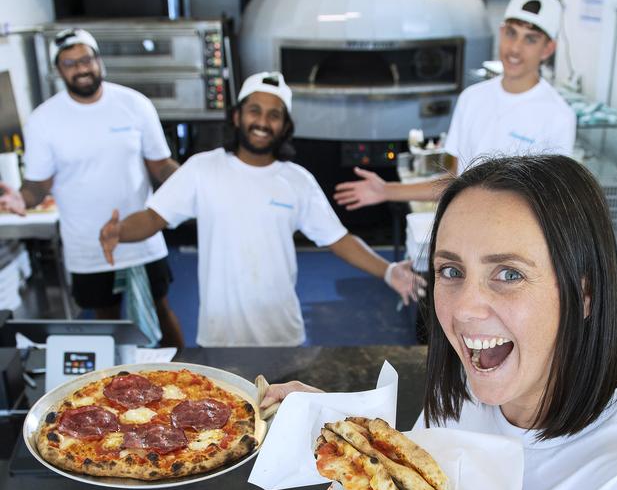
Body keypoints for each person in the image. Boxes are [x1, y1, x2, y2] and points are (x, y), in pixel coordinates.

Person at [261, 155, 617, 490]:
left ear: (584, 294)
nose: (464, 309)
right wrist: (340, 427)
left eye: (508, 273)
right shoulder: (463, 395)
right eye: (450, 271)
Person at [99, 71, 425, 347]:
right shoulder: (202, 169)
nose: (263, 122)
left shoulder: (297, 181)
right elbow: (155, 216)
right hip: (220, 336)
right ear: (237, 116)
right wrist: (120, 231)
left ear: (284, 126)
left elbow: (338, 239)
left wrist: (388, 270)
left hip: (282, 336)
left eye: (274, 115)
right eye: (254, 110)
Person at [0, 28, 184, 347]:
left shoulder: (134, 105)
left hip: (141, 235)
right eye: (70, 63)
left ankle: (188, 376)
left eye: (86, 59)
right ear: (59, 70)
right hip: (87, 243)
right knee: (106, 321)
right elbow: (38, 185)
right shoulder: (44, 120)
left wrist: (195, 181)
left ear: (98, 61)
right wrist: (21, 198)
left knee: (162, 308)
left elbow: (161, 165)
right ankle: (113, 391)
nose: (81, 69)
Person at [333, 0, 577, 211]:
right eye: (511, 34)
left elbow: (551, 200)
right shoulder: (472, 98)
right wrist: (387, 190)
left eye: (530, 39)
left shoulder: (557, 116)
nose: (515, 48)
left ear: (548, 49)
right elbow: (453, 180)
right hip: (465, 224)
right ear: (501, 32)